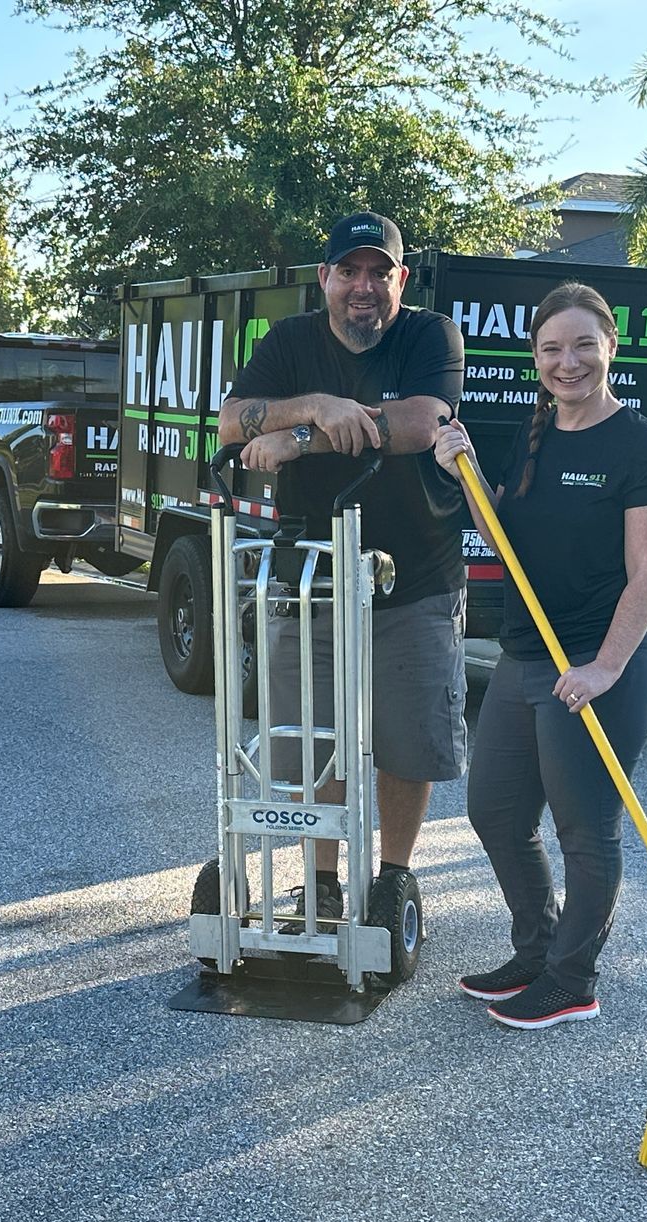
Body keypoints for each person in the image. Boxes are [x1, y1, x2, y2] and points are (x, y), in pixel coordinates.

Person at [432, 281, 647, 1029]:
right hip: (528, 656)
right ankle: (537, 949)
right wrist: (464, 472)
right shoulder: (535, 432)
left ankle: (573, 979)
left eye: (581, 344)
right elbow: (503, 532)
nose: (566, 362)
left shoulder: (639, 443)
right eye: (550, 349)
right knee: (496, 812)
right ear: (536, 358)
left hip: (606, 662)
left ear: (610, 346)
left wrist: (604, 667)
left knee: (585, 827)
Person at [216, 211, 467, 929]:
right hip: (309, 576)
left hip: (413, 576)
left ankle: (392, 879)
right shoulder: (290, 341)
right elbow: (233, 421)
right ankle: (321, 885)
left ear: (401, 279)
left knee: (406, 741)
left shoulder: (430, 334)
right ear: (324, 278)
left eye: (378, 272)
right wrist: (316, 410)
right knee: (310, 739)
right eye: (348, 271)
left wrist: (300, 440)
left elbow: (422, 422)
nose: (364, 287)